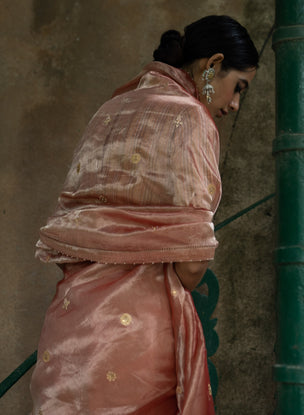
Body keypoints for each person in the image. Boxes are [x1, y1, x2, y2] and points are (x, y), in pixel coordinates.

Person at [30, 15, 258, 415]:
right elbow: (191, 266)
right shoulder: (190, 118)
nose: (235, 104)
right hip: (135, 338)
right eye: (237, 87)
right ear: (212, 64)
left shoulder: (112, 108)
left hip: (68, 332)